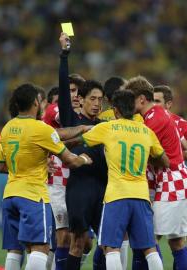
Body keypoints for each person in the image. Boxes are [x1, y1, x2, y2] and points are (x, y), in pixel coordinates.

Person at [66, 90, 168, 270]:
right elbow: (164, 160)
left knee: (111, 247)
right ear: (134, 109)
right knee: (149, 248)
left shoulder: (108, 128)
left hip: (116, 196)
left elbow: (78, 141)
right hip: (141, 196)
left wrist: (57, 142)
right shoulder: (146, 132)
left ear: (115, 110)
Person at [0, 83, 92, 270]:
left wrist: (80, 128)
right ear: (35, 103)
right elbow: (70, 160)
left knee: (15, 250)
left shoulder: (8, 127)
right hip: (33, 196)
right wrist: (84, 159)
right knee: (41, 248)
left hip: (10, 196)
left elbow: (1, 166)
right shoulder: (40, 128)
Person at [124, 76, 187, 269]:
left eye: (130, 99)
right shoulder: (157, 114)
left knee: (148, 239)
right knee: (176, 241)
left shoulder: (154, 119)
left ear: (141, 99)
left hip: (171, 180)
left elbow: (139, 150)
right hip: (178, 179)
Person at [57, 32, 107, 270]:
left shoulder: (105, 126)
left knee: (108, 243)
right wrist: (64, 56)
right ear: (82, 99)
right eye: (93, 98)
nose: (97, 103)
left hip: (104, 187)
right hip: (80, 186)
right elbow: (64, 92)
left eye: (100, 99)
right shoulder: (72, 119)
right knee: (77, 242)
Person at [153, 85, 187, 165]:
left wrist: (173, 148)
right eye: (152, 101)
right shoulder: (143, 120)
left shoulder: (181, 124)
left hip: (171, 175)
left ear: (168, 104)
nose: (154, 105)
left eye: (157, 101)